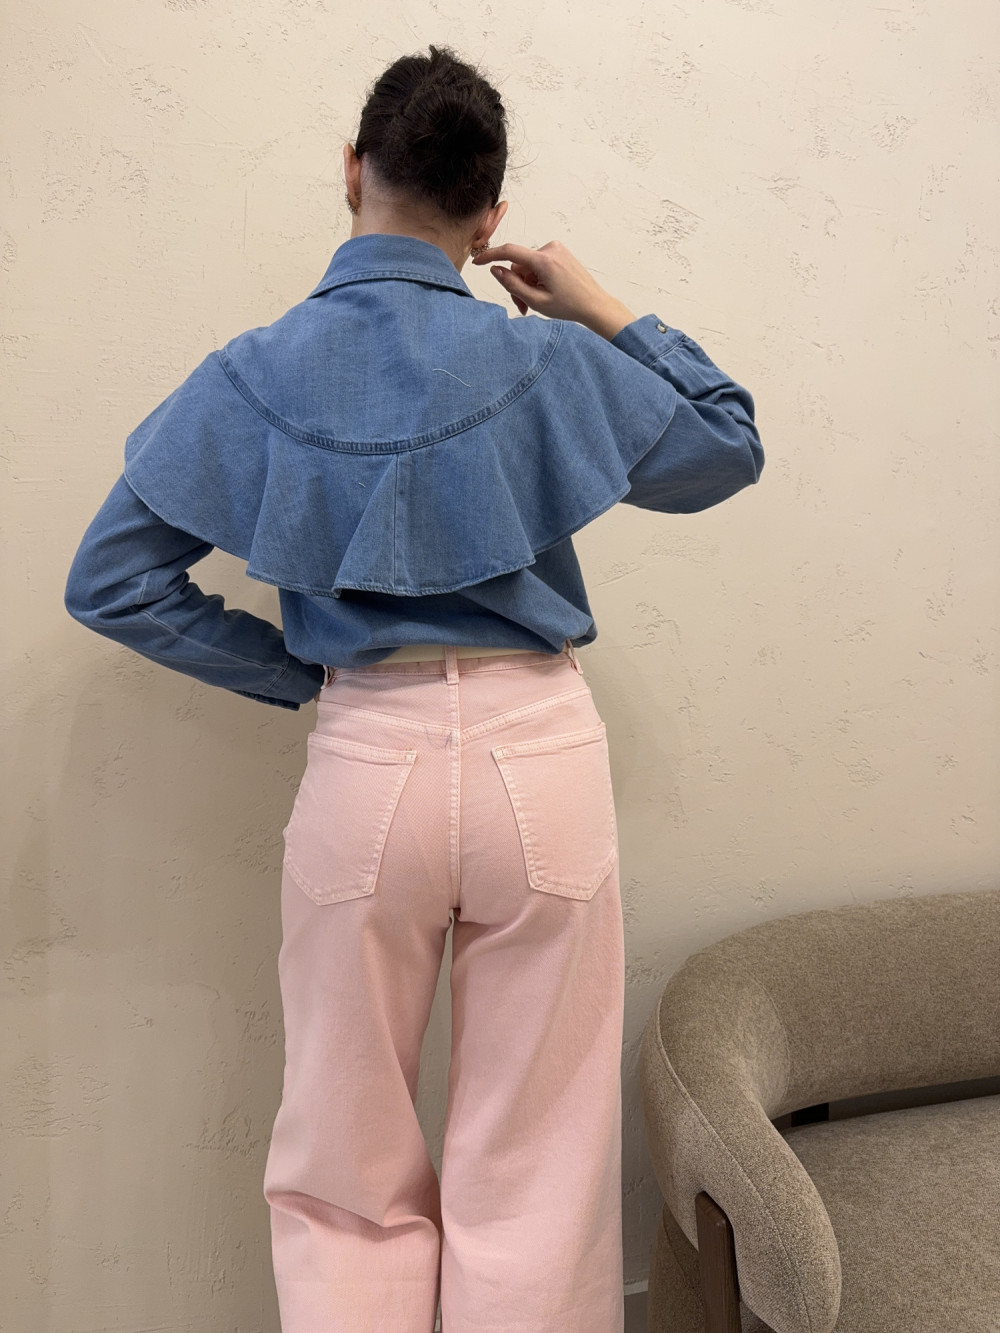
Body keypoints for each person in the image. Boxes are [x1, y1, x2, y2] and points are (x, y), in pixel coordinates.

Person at [64, 42, 763, 1333]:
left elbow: (112, 582)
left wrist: (300, 671)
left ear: (353, 170)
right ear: (490, 217)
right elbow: (726, 443)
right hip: (539, 754)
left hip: (367, 761)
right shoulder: (546, 360)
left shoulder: (252, 370)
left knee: (342, 1158)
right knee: (540, 1158)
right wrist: (600, 307)